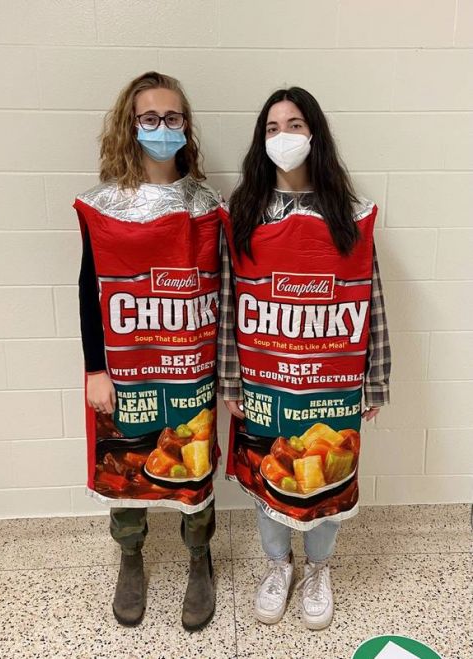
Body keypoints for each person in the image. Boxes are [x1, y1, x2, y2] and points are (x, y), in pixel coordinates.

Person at [218, 87, 390, 630]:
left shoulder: (350, 215)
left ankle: (318, 567)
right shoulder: (243, 212)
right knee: (269, 473)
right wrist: (231, 380)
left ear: (314, 134)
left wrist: (375, 382)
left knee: (327, 482)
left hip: (330, 382)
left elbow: (371, 298)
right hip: (264, 380)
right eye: (272, 128)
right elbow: (227, 300)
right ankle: (277, 564)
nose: (283, 137)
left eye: (294, 125)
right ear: (259, 140)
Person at [74, 71, 221, 631]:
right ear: (131, 126)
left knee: (194, 459)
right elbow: (91, 288)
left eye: (173, 117)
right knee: (126, 460)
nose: (162, 127)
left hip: (190, 364)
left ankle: (198, 557)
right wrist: (94, 368)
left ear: (186, 125)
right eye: (149, 118)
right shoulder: (103, 204)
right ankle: (130, 556)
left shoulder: (208, 203)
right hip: (126, 364)